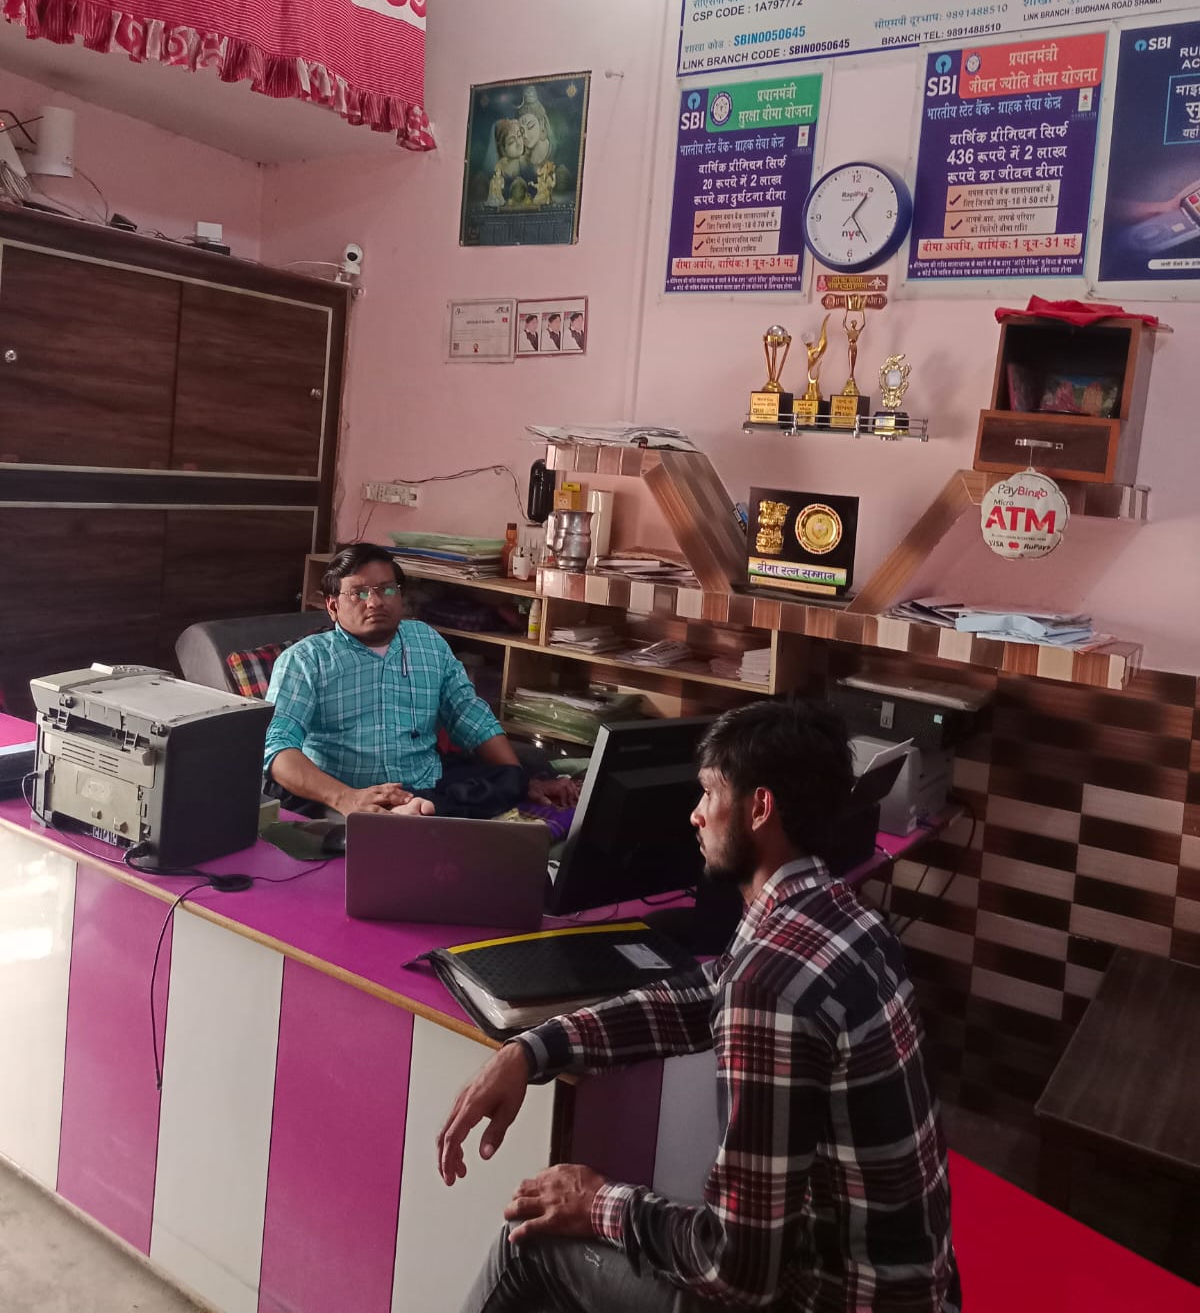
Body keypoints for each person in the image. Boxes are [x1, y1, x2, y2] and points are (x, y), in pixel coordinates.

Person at [438, 700, 961, 1313]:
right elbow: (702, 995)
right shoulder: (843, 917)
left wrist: (596, 1201)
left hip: (828, 1299)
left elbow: (734, 1268)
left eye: (709, 793)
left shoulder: (769, 986)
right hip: (913, 1293)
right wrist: (532, 1050)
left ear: (759, 808)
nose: (695, 814)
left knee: (533, 1242)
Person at [264, 544, 575, 818]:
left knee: (510, 777)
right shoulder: (305, 661)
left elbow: (470, 715)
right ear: (333, 606)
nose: (375, 602)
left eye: (387, 590)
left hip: (426, 783)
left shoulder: (427, 642)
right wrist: (346, 798)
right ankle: (405, 816)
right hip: (345, 790)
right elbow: (276, 747)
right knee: (287, 790)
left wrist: (519, 781)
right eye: (359, 593)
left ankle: (413, 813)